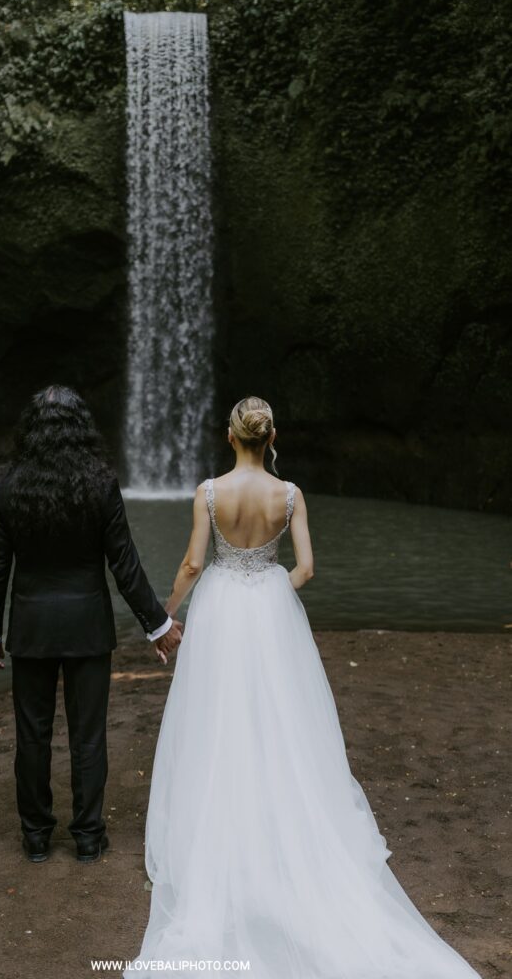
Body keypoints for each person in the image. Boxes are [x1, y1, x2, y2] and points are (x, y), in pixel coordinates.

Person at [125, 396, 482, 978]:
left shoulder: (209, 493)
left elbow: (192, 564)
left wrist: (166, 616)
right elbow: (307, 568)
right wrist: (270, 592)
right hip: (269, 612)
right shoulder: (289, 495)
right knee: (280, 719)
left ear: (229, 437)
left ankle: (220, 830)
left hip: (219, 611)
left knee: (216, 717)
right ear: (271, 438)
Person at [0, 384, 182, 865]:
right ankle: (88, 837)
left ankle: (36, 836)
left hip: (31, 627)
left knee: (32, 735)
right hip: (88, 626)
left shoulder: (7, 486)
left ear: (31, 430)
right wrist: (158, 624)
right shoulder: (100, 483)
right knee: (88, 735)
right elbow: (124, 563)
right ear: (80, 429)